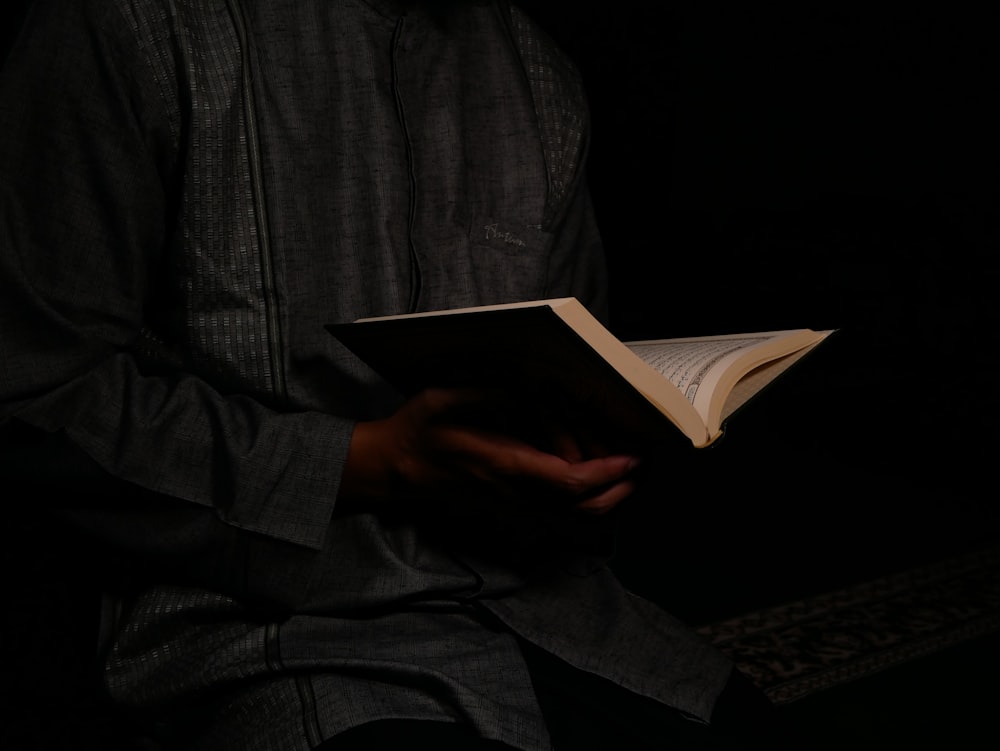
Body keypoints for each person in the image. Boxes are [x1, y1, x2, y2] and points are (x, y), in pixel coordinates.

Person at [0, 1, 798, 748]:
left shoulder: (532, 67)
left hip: (543, 601)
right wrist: (368, 461)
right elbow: (35, 392)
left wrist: (592, 456)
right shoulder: (128, 26)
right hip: (262, 629)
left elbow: (579, 367)